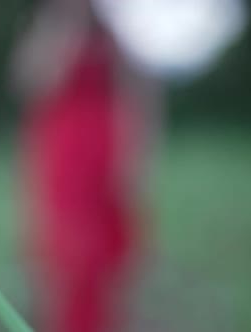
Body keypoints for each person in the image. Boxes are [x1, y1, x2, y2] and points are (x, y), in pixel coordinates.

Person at [10, 0, 161, 331]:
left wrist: (138, 159)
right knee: (64, 257)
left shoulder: (119, 28)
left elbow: (141, 93)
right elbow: (37, 83)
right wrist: (66, 21)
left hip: (109, 159)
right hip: (63, 158)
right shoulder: (50, 24)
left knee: (111, 260)